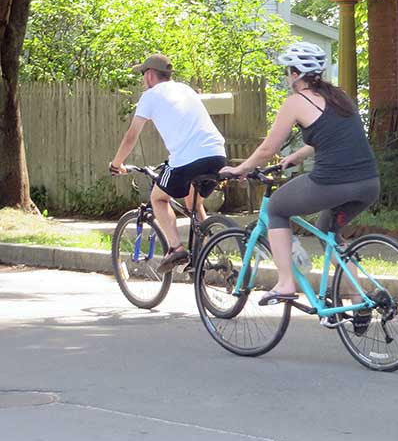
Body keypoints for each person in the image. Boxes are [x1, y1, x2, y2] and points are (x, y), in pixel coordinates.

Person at [220, 42, 380, 305]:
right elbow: (332, 135)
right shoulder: (339, 97)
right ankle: (358, 299)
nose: (287, 76)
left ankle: (285, 283)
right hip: (368, 184)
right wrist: (298, 155)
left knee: (277, 210)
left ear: (295, 74)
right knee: (328, 229)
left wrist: (240, 169)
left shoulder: (296, 101)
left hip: (333, 184)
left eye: (287, 71)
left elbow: (267, 148)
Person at [109, 54, 227, 273]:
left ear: (151, 75)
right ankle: (213, 250)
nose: (143, 80)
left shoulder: (150, 96)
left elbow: (131, 135)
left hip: (186, 159)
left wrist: (117, 163)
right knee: (193, 203)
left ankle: (175, 248)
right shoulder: (186, 89)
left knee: (159, 197)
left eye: (143, 75)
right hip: (217, 154)